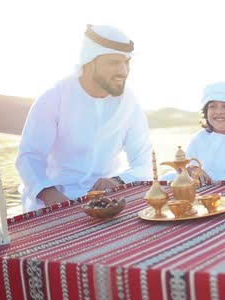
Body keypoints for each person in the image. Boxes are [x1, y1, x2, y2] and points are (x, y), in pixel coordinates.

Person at [16, 24, 153, 212]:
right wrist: (49, 194)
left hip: (109, 199)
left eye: (126, 62)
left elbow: (144, 162)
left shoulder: (130, 103)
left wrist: (118, 180)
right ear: (89, 61)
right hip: (56, 198)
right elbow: (29, 156)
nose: (123, 71)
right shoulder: (55, 97)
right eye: (113, 63)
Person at [162, 81, 225, 184]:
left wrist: (207, 177)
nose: (219, 111)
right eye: (212, 106)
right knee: (164, 179)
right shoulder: (199, 138)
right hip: (198, 189)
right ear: (206, 112)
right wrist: (191, 170)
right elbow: (188, 167)